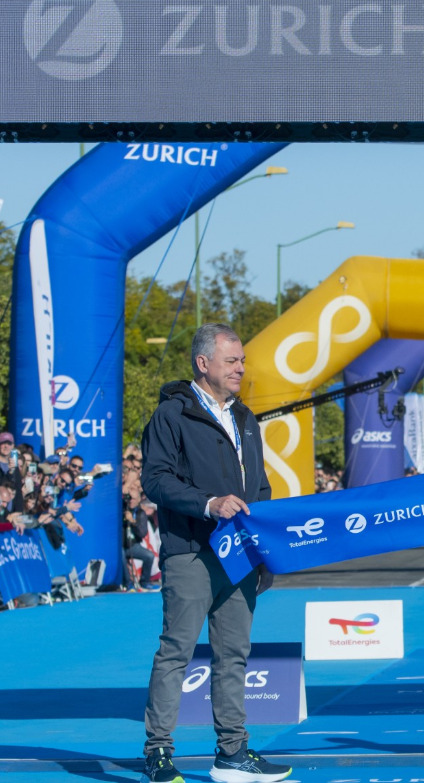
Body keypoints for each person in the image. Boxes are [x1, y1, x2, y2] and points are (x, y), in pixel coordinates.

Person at [140, 323, 290, 783]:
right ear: (203, 363)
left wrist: (264, 552)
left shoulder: (245, 418)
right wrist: (209, 504)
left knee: (234, 655)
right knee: (176, 651)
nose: (241, 368)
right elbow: (156, 480)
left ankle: (232, 752)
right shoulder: (172, 415)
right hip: (191, 550)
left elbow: (259, 488)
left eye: (242, 360)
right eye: (232, 361)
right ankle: (158, 752)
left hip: (241, 555)